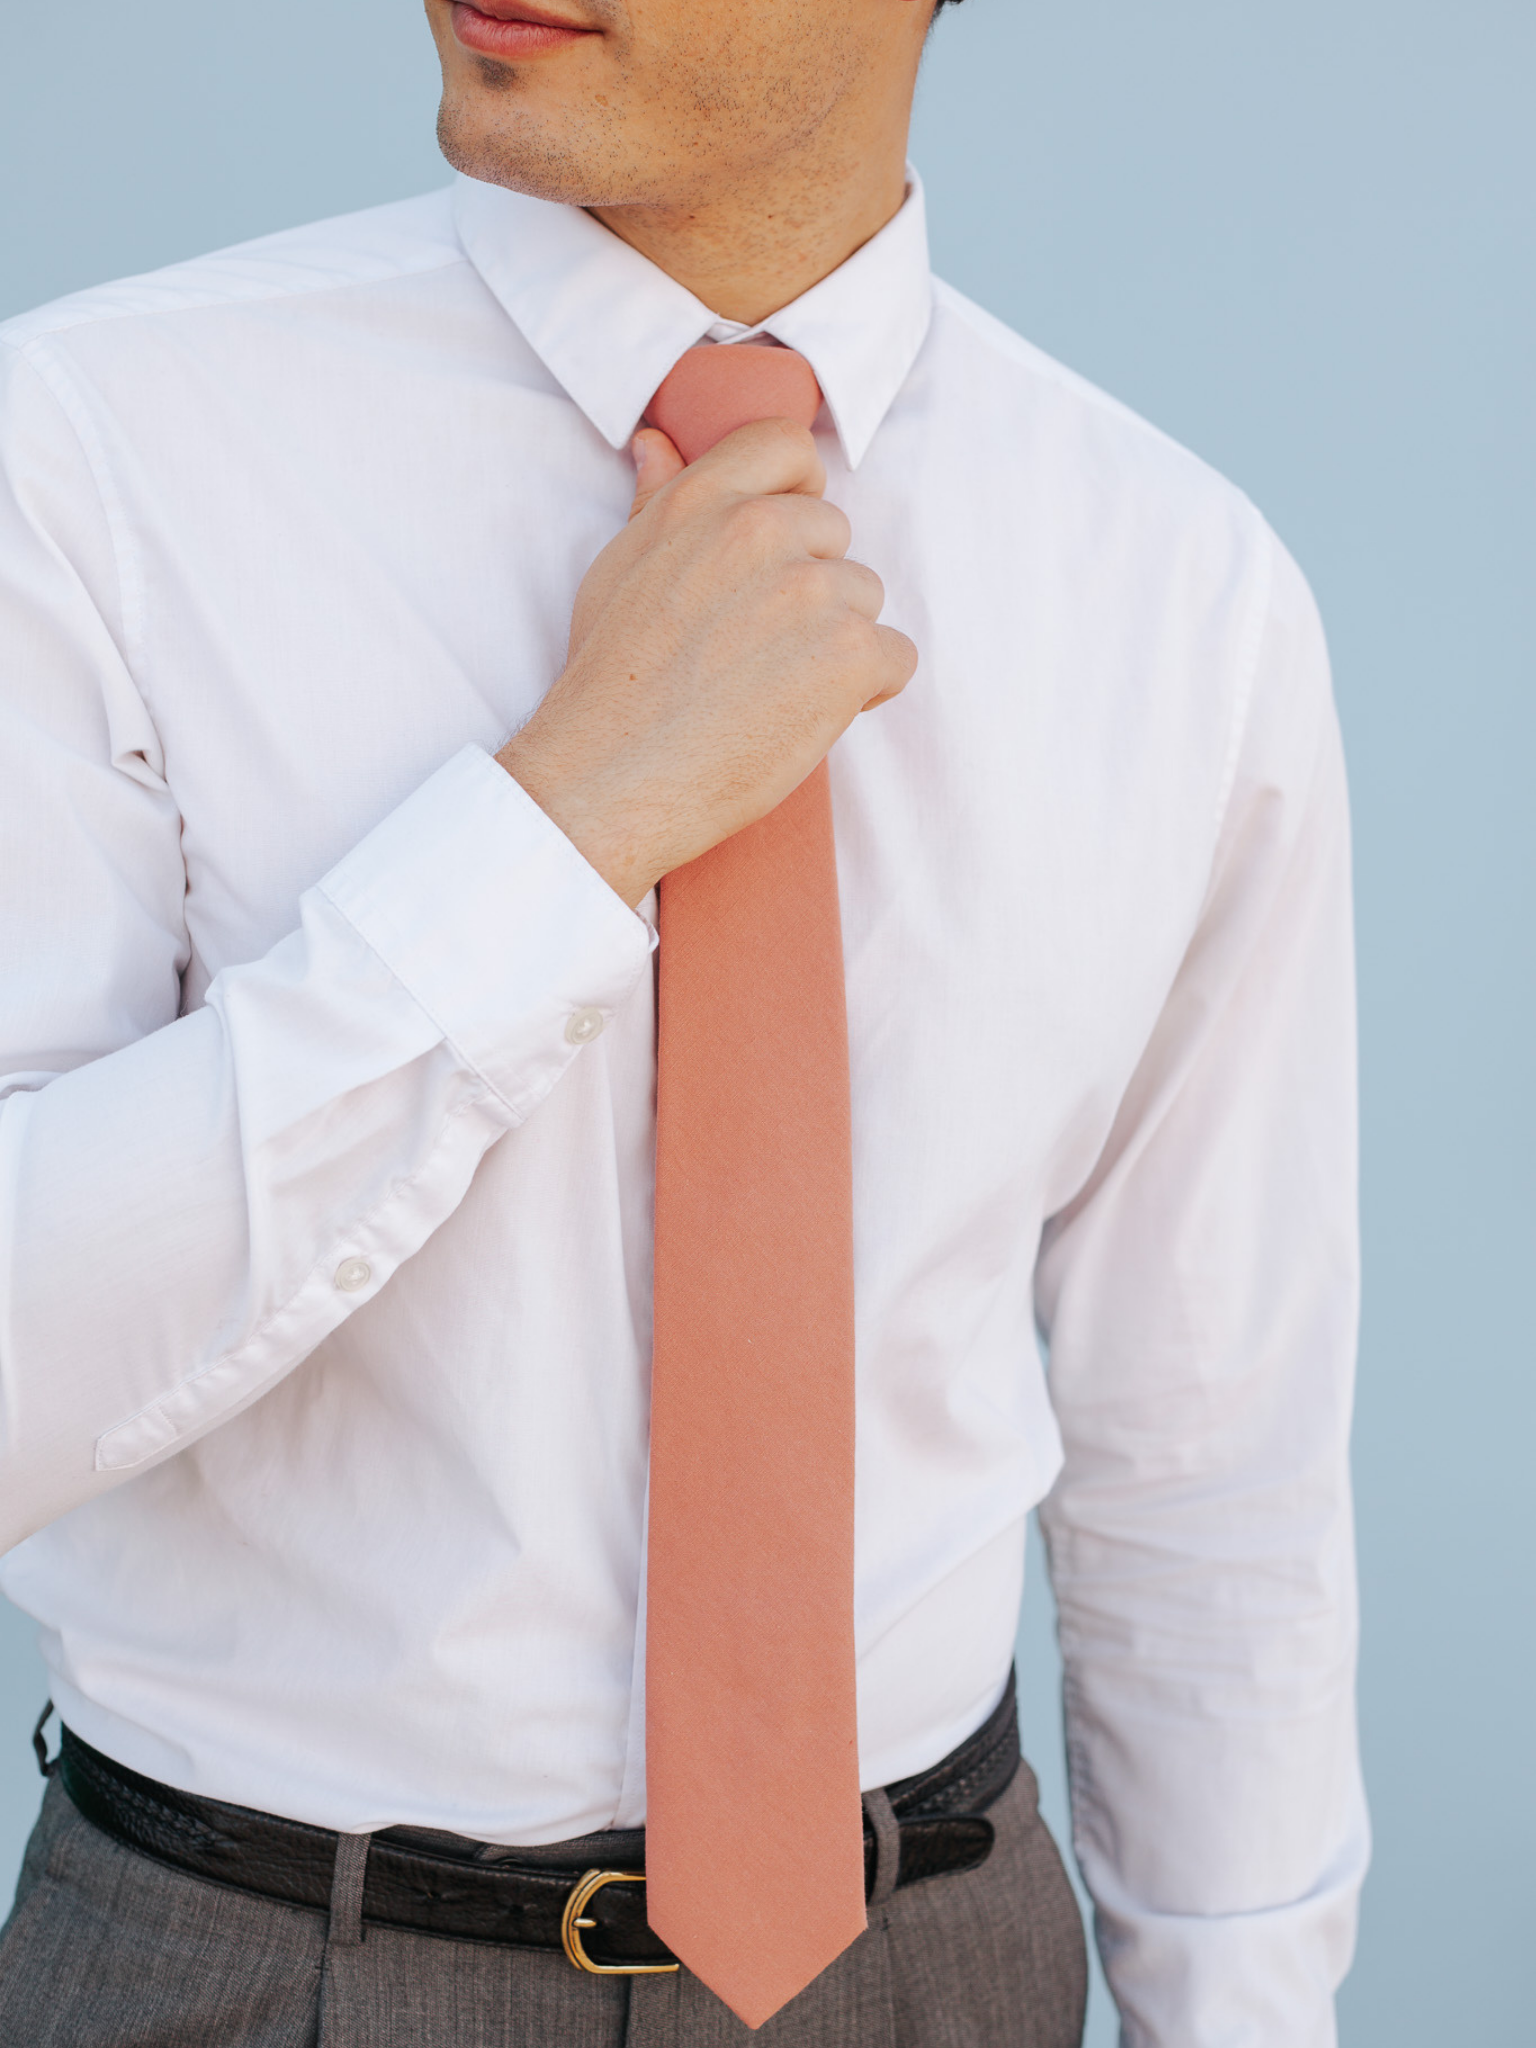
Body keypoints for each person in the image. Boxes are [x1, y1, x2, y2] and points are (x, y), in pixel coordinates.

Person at [0, 0, 1366, 2041]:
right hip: (252, 1968)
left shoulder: (1182, 591)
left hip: (928, 1971)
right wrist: (557, 832)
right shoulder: (92, 454)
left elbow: (1209, 1468)